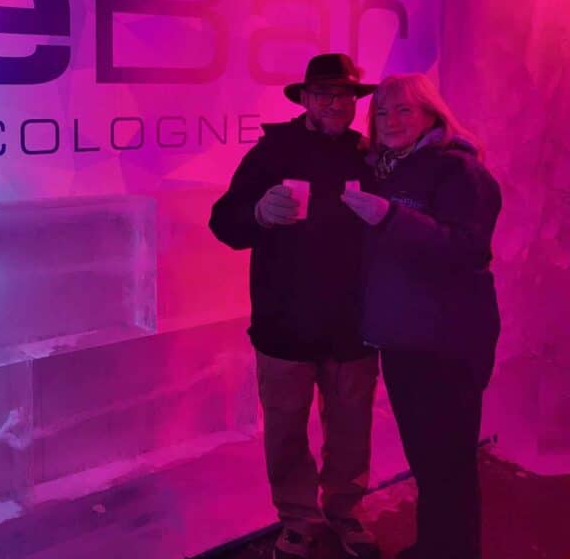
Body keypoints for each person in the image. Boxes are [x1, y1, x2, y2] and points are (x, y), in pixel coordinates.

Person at [209, 53, 381, 559]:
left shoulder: (368, 156)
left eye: (345, 95)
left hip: (354, 322)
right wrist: (258, 214)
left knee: (351, 428)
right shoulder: (273, 152)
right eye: (323, 93)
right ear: (304, 99)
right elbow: (224, 222)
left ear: (355, 103)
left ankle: (346, 511)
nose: (334, 103)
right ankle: (298, 517)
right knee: (285, 428)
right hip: (284, 322)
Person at [340, 74, 501, 559]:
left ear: (432, 114)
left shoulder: (459, 170)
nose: (390, 121)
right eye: (383, 112)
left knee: (448, 464)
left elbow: (468, 249)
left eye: (404, 110)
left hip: (446, 344)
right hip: (404, 340)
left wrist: (390, 217)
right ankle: (436, 546)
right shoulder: (389, 169)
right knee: (429, 462)